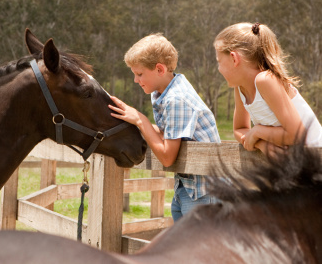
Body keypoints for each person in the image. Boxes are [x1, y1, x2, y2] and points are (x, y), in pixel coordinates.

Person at [109, 33, 221, 222]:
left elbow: (168, 157)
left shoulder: (176, 99)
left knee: (199, 251)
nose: (136, 80)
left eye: (139, 74)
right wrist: (133, 121)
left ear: (159, 69)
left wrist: (141, 120)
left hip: (204, 192)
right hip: (187, 186)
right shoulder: (165, 91)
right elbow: (171, 133)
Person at [214, 22, 322, 154]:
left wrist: (258, 131)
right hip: (291, 164)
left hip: (315, 159)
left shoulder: (265, 80)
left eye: (219, 61)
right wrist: (261, 143)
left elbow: (296, 135)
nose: (218, 69)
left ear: (234, 58)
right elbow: (239, 129)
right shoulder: (240, 87)